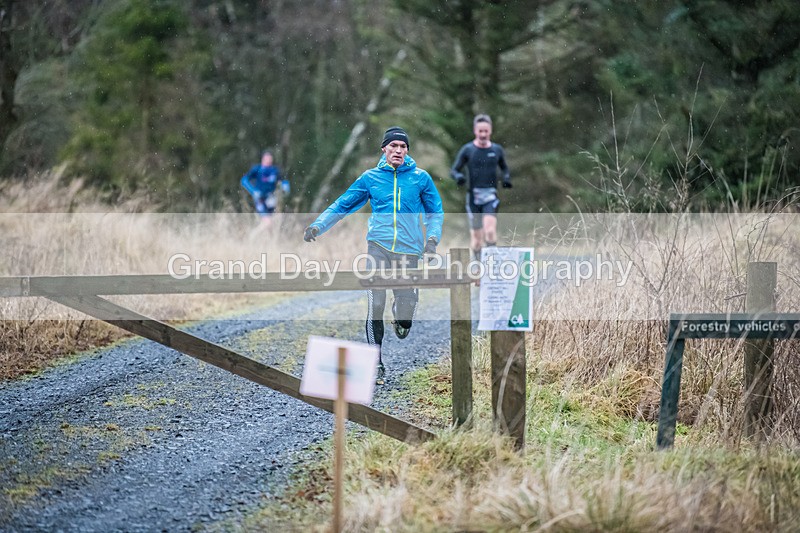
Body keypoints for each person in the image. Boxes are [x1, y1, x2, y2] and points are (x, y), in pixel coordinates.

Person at [303, 126, 444, 384]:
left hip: (409, 250)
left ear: (407, 151)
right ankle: (375, 362)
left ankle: (401, 315)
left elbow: (435, 212)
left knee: (406, 316)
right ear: (384, 149)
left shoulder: (420, 178)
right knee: (375, 304)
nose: (398, 150)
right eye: (393, 146)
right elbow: (343, 204)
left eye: (403, 146)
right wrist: (317, 226)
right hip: (378, 247)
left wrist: (432, 239)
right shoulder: (371, 178)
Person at [450, 114, 511, 260]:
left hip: (490, 196)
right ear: (475, 131)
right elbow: (454, 170)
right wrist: (459, 177)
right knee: (477, 239)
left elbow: (505, 168)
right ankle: (477, 264)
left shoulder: (497, 150)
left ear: (491, 130)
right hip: (473, 198)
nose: (483, 134)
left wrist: (506, 179)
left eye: (486, 131)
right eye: (480, 131)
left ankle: (491, 263)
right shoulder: (468, 150)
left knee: (490, 231)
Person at [240, 150, 290, 227]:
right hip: (260, 199)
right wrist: (253, 191)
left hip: (270, 198)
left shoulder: (275, 171)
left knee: (271, 222)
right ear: (262, 159)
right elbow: (244, 180)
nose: (268, 161)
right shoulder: (257, 169)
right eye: (266, 159)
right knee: (267, 221)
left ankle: (261, 233)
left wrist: (285, 188)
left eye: (270, 159)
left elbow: (283, 180)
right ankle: (254, 234)